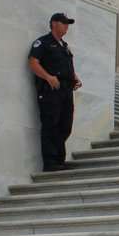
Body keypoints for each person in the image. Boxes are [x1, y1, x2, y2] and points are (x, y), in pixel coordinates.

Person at [27, 12, 82, 172]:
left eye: (68, 23)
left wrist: (76, 79)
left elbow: (66, 66)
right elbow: (33, 63)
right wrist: (48, 77)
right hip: (51, 90)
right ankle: (50, 162)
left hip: (66, 90)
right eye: (64, 23)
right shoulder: (43, 42)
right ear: (54, 24)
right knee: (51, 124)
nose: (66, 26)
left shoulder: (64, 46)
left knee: (65, 125)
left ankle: (59, 159)